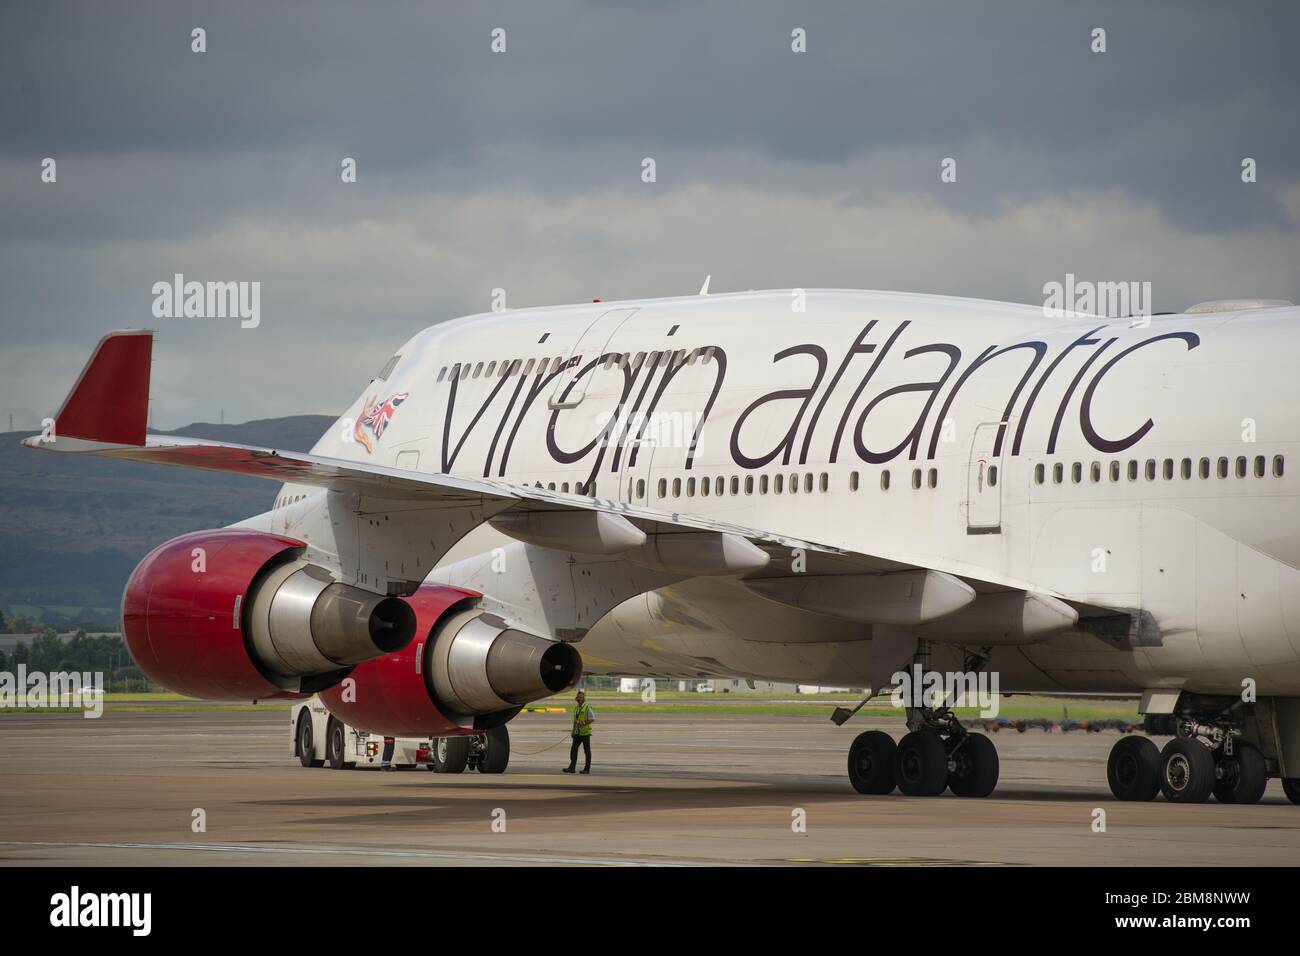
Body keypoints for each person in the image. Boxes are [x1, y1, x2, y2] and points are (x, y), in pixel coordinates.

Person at [563, 690, 594, 774]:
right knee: (573, 750)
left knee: (587, 751)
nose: (579, 699)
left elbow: (592, 719)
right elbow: (575, 721)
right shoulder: (576, 708)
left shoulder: (587, 707)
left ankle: (587, 769)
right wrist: (573, 731)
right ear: (576, 698)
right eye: (578, 697)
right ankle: (572, 768)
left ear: (584, 698)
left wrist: (583, 723)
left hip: (585, 733)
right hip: (577, 733)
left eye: (581, 697)